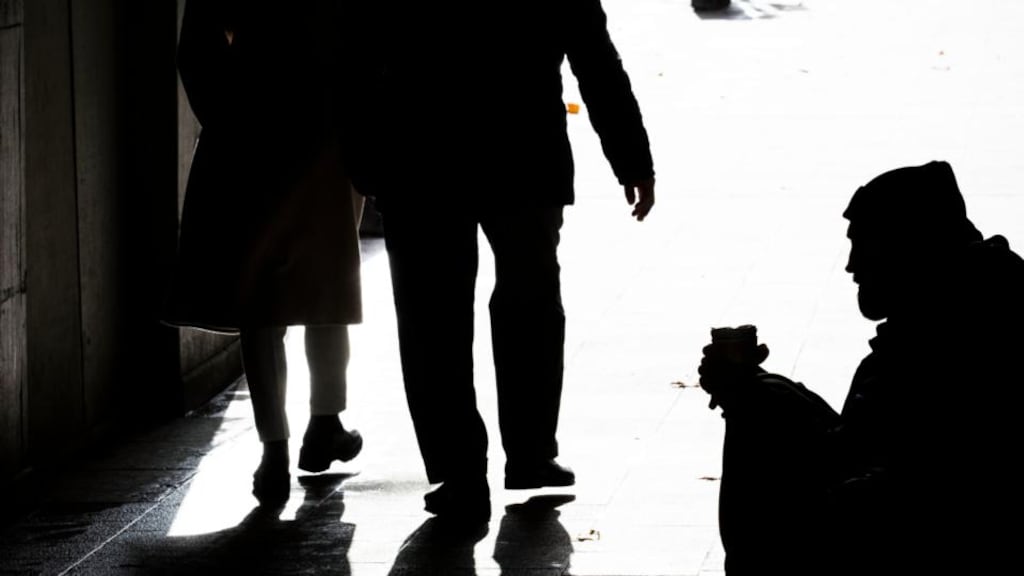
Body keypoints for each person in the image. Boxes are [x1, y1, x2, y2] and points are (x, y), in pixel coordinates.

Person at [360, 1, 656, 524]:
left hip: (422, 151)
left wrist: (366, 157)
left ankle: (462, 471)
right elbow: (594, 55)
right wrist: (631, 157)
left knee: (433, 316)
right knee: (531, 300)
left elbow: (362, 45)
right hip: (522, 151)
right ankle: (530, 451)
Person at [698, 161, 1024, 575]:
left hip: (938, 536)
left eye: (863, 246)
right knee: (766, 399)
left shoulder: (940, 337)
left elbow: (859, 458)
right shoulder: (965, 301)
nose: (851, 266)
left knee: (760, 413)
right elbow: (864, 440)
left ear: (907, 244)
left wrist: (748, 398)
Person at [165, 0, 370, 507]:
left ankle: (273, 448)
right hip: (322, 125)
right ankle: (325, 419)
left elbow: (196, 48)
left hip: (248, 134)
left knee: (261, 302)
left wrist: (228, 118)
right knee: (326, 283)